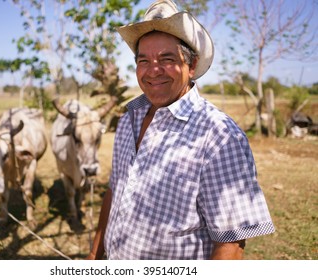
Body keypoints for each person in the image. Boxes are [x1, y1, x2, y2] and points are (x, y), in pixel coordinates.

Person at [87, 0, 275, 260]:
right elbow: (115, 190)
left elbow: (230, 244)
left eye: (167, 59)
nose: (153, 70)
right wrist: (95, 256)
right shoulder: (128, 119)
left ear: (192, 65)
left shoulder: (218, 135)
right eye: (144, 60)